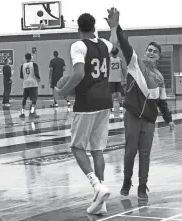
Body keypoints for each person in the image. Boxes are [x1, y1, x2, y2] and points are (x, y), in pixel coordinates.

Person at [106, 8, 175, 201]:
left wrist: (168, 119)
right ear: (145, 53)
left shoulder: (160, 78)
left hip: (149, 120)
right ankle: (127, 181)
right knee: (130, 152)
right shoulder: (136, 65)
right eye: (149, 50)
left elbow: (162, 102)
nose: (151, 53)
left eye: (155, 52)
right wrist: (116, 27)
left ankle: (142, 186)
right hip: (132, 115)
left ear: (159, 57)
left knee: (145, 154)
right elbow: (126, 46)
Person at [54, 12, 118, 215]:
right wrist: (114, 27)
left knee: (77, 147)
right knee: (97, 150)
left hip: (87, 101)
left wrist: (62, 92)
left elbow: (80, 73)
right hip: (105, 101)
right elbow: (115, 46)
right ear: (94, 27)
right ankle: (101, 202)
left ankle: (97, 187)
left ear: (79, 29)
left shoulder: (78, 46)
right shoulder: (105, 44)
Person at [19, 53, 40, 118]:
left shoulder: (22, 65)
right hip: (33, 83)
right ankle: (32, 112)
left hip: (26, 84)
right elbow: (36, 74)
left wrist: (26, 77)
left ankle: (22, 113)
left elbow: (21, 76)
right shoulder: (34, 64)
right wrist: (38, 78)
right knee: (33, 99)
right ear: (31, 57)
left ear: (25, 58)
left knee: (24, 99)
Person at [108, 48, 127, 112]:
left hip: (111, 79)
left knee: (112, 93)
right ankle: (121, 106)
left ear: (111, 53)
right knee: (119, 92)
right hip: (118, 79)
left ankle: (111, 107)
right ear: (118, 53)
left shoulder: (109, 60)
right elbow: (124, 69)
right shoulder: (120, 60)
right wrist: (125, 77)